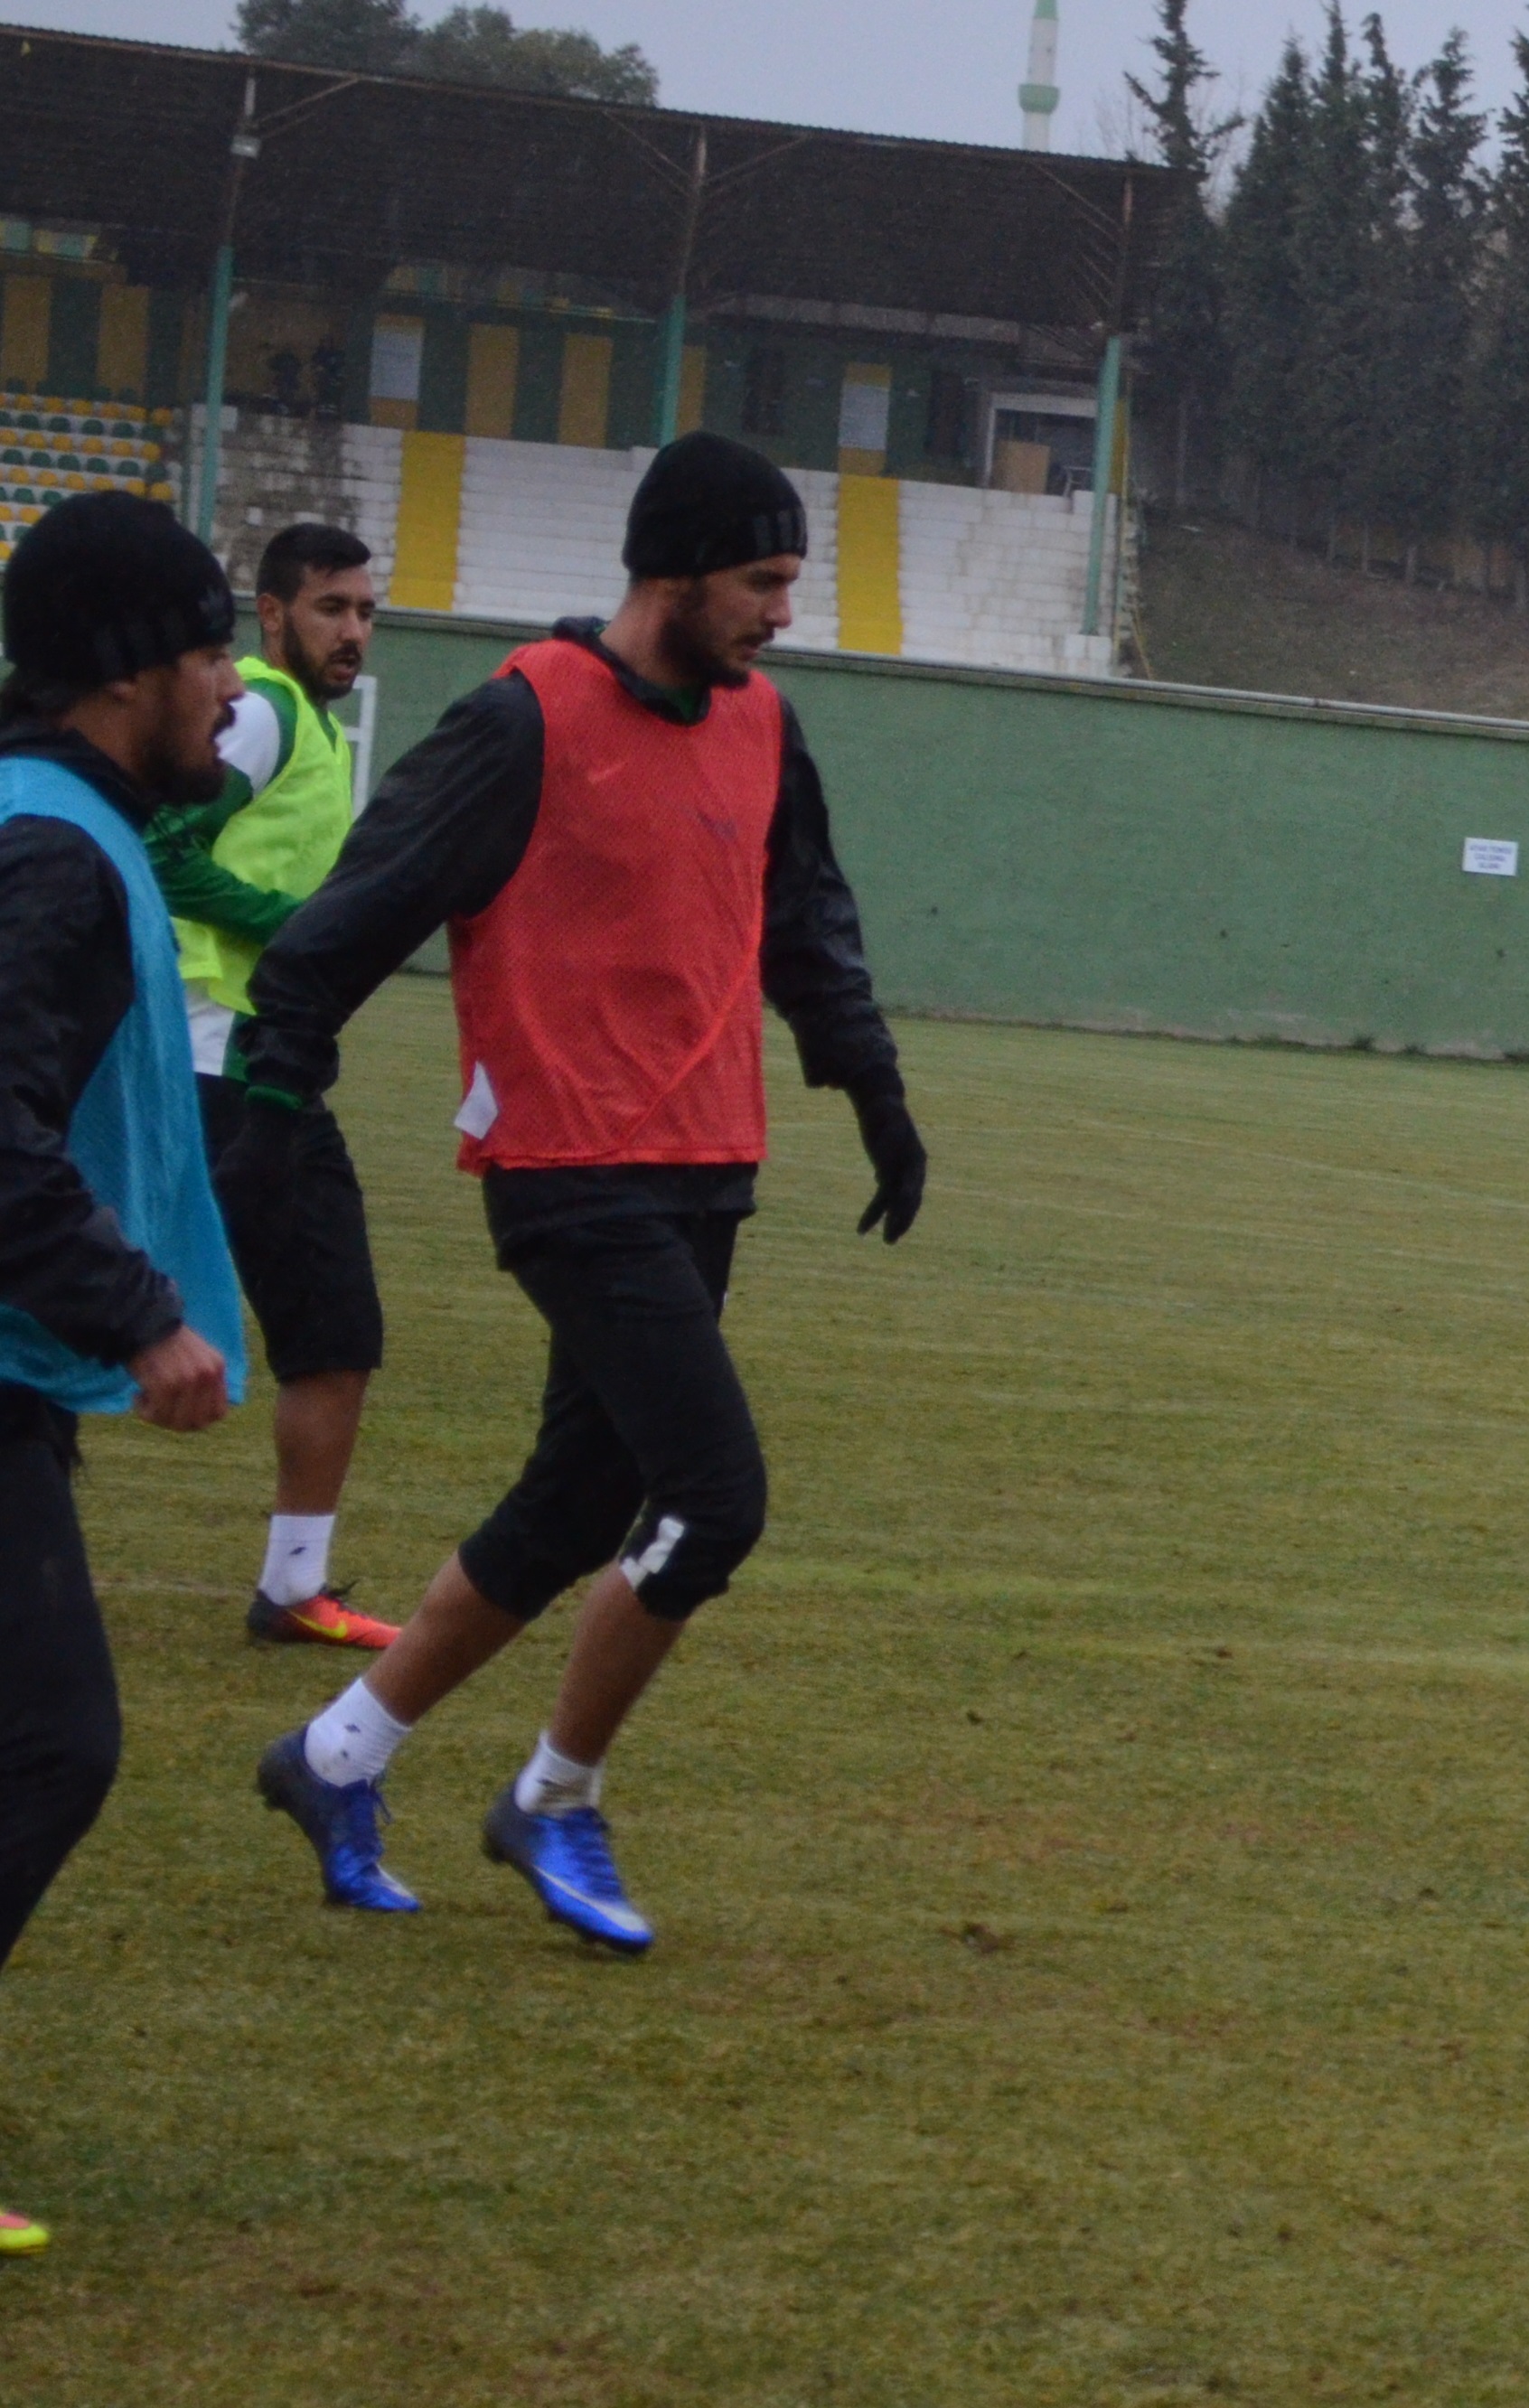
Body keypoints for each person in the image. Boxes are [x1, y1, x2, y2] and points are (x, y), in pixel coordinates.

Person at [225, 432, 927, 1955]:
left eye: (793, 581)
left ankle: (334, 1755)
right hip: (566, 1168)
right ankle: (552, 1797)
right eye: (759, 581)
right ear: (670, 571)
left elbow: (806, 915)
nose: (779, 614)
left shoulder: (764, 726)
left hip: (704, 1167)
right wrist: (275, 1098)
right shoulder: (522, 723)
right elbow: (352, 917)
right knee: (715, 1499)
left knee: (574, 1500)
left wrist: (871, 1087)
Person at [0, 492, 248, 2255]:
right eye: (210, 651)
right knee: (52, 1744)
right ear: (125, 669)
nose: (230, 690)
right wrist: (137, 1311)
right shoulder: (51, 854)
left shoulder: (62, 821)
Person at [145, 520, 395, 1649]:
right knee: (332, 1333)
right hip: (226, 1069)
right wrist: (293, 932)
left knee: (325, 1337)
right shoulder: (262, 713)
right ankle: (294, 1588)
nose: (352, 630)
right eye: (331, 608)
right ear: (274, 614)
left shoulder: (311, 730)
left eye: (364, 611)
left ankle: (296, 1585)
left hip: (234, 1066)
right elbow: (159, 843)